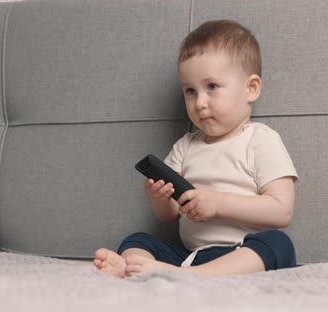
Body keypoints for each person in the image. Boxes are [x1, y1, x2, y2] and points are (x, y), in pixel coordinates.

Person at [94, 19, 298, 278]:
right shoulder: (185, 147)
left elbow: (282, 211)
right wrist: (160, 198)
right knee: (139, 240)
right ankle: (138, 268)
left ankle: (194, 276)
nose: (200, 102)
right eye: (190, 91)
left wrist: (219, 203)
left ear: (251, 88)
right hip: (188, 256)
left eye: (212, 87)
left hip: (240, 253)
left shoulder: (261, 140)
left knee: (277, 244)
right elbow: (169, 216)